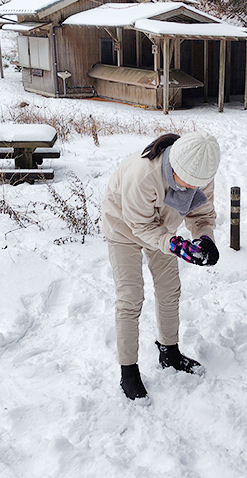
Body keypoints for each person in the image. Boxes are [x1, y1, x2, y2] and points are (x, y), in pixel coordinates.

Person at [101, 131, 221, 400]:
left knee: (169, 290)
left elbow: (201, 214)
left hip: (165, 228)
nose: (191, 190)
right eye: (186, 183)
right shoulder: (142, 175)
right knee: (130, 298)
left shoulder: (201, 174)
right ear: (174, 166)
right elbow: (141, 227)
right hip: (123, 227)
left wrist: (205, 239)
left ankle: (170, 352)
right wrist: (175, 245)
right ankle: (128, 371)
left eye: (196, 186)